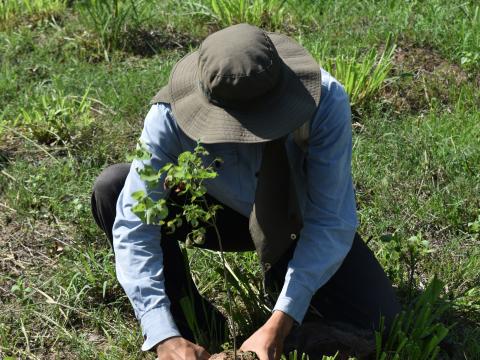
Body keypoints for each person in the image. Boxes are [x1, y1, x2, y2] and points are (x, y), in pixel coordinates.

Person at [91, 23, 401, 360]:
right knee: (114, 188)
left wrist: (280, 321)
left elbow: (330, 220)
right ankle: (191, 329)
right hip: (216, 215)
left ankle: (284, 333)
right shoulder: (167, 118)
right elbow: (136, 227)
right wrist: (162, 334)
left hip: (294, 220)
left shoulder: (325, 102)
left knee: (381, 321)